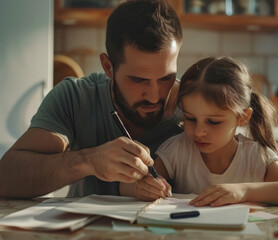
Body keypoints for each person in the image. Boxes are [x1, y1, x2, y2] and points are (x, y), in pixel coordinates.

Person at [0, 0, 182, 198]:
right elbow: (5, 179)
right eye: (138, 80)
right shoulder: (76, 99)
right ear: (108, 66)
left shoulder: (196, 107)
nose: (155, 96)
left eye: (166, 78)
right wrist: (89, 161)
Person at [121, 57, 278, 206]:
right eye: (190, 119)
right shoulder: (178, 149)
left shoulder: (256, 157)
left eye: (213, 122)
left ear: (242, 117)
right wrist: (140, 188)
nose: (199, 131)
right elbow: (125, 185)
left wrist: (244, 191)